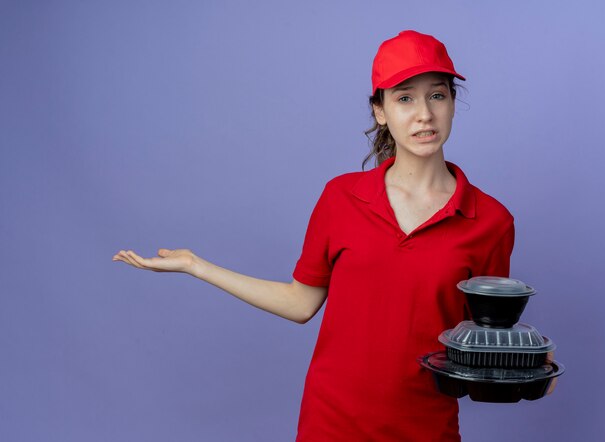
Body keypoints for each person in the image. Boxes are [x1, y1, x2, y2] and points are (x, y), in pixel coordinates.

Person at [113, 30, 514, 441]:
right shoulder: (341, 198)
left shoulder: (490, 221)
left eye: (438, 95)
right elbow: (300, 302)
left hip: (427, 428)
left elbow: (484, 342)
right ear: (380, 111)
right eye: (405, 98)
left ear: (452, 103)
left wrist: (535, 365)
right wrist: (196, 266)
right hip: (331, 425)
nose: (424, 114)